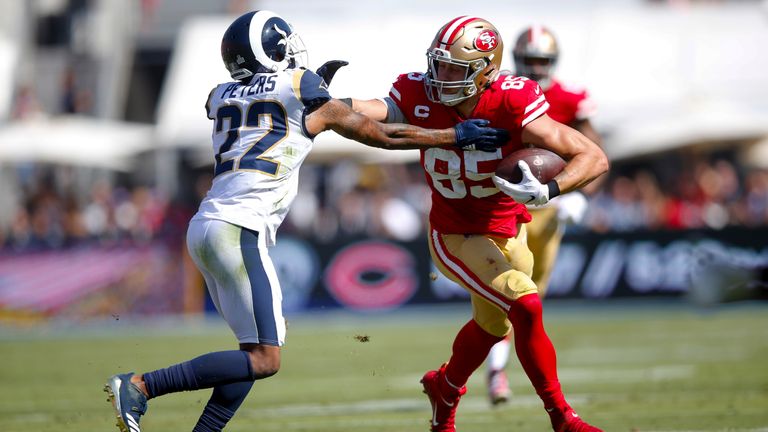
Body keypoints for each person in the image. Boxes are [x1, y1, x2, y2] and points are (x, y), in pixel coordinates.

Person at [102, 10, 508, 432]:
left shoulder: (219, 94)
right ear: (274, 52)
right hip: (239, 229)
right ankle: (141, 386)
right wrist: (455, 136)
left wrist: (314, 96)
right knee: (264, 358)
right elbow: (382, 135)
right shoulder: (299, 85)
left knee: (252, 354)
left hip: (206, 225)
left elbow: (277, 113)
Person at [349, 15, 608, 432]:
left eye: (454, 68)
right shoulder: (417, 92)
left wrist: (552, 190)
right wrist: (331, 102)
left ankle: (444, 388)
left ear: (487, 70)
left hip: (510, 226)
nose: (441, 76)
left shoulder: (513, 99)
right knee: (525, 302)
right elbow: (370, 112)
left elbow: (593, 156)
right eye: (439, 64)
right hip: (456, 233)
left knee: (492, 325)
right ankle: (563, 418)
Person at [486, 24, 604, 406]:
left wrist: (580, 196)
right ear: (517, 59)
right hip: (507, 206)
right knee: (509, 292)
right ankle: (496, 372)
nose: (536, 67)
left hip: (551, 209)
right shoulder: (499, 91)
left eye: (542, 60)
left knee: (534, 294)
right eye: (530, 59)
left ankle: (501, 369)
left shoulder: (570, 99)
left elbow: (594, 152)